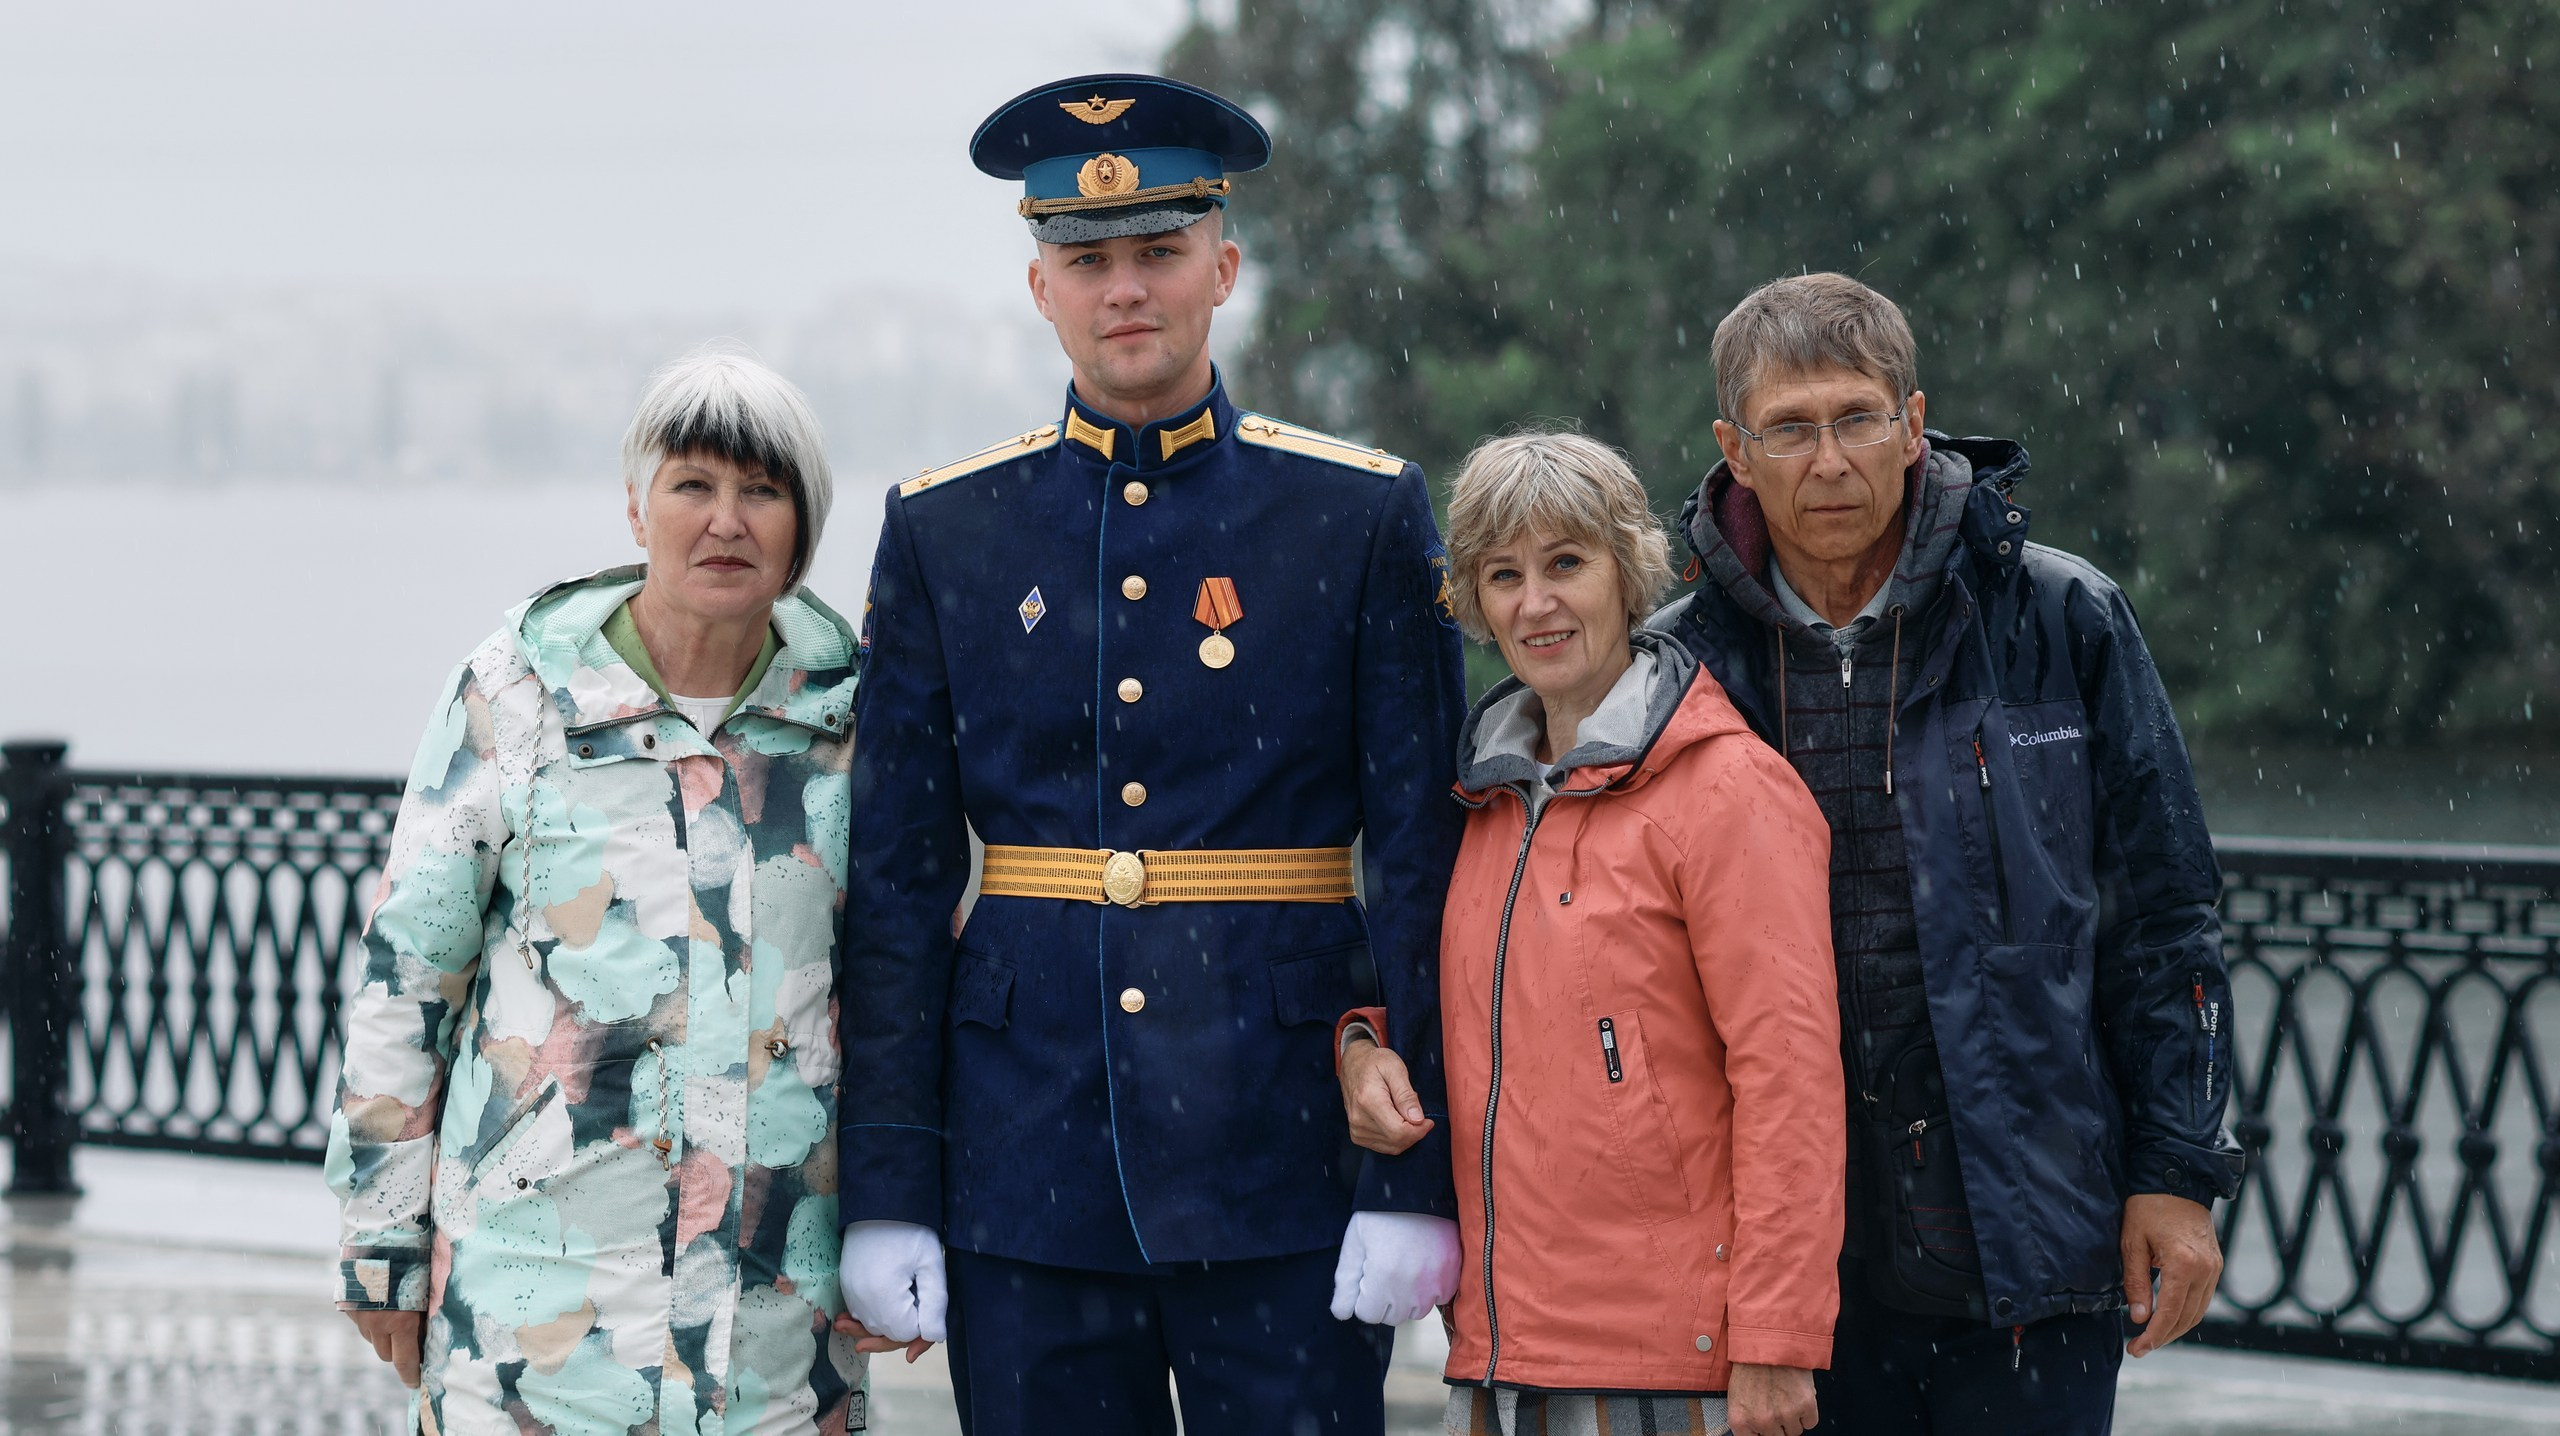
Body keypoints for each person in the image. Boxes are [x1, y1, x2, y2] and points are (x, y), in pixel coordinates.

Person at [831, 74, 1467, 1435]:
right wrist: (889, 1185)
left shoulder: (1355, 515)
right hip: (1025, 1157)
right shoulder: (949, 530)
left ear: (1223, 268)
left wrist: (1420, 1177)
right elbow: (892, 887)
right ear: (1039, 284)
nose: (1126, 288)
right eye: (1088, 259)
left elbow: (1423, 858)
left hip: (1285, 1150)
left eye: (1159, 253)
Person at [1647, 272, 2245, 1432]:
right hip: (1783, 1261)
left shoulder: (2057, 617)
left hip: (2030, 1224)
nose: (1829, 461)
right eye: (1790, 428)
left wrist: (2176, 1171)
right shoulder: (1674, 668)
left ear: (1913, 425)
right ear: (1734, 447)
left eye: (1857, 418)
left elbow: (2165, 919)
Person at [327, 351, 869, 1435]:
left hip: (775, 1334)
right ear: (636, 505)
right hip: (539, 1322)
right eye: (693, 485)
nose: (726, 520)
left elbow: (911, 982)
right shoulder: (517, 692)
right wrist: (380, 1240)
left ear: (804, 525)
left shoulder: (860, 718)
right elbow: (409, 973)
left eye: (762, 490)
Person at [1335, 432, 1844, 1436]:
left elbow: (1791, 1083)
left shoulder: (1727, 789)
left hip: (1671, 1360)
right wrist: (1360, 1045)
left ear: (1628, 570)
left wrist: (1777, 1336)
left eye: (1567, 563)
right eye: (1503, 574)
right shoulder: (1476, 802)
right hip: (1494, 1347)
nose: (1536, 603)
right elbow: (1427, 997)